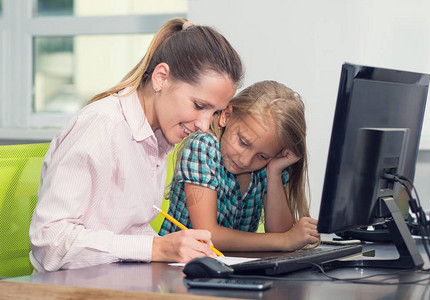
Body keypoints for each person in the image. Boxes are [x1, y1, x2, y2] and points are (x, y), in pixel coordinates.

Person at [29, 18, 243, 272]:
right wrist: (156, 248)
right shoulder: (102, 126)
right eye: (199, 105)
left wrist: (168, 246)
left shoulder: (159, 140)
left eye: (214, 112)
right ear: (161, 78)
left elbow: (125, 230)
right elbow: (48, 242)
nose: (205, 126)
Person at [159, 80, 320, 251]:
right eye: (243, 142)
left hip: (227, 269)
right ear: (226, 116)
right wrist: (285, 241)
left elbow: (281, 232)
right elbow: (206, 234)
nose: (245, 161)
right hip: (177, 269)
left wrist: (274, 172)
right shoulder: (203, 147)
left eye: (262, 155)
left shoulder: (265, 167)